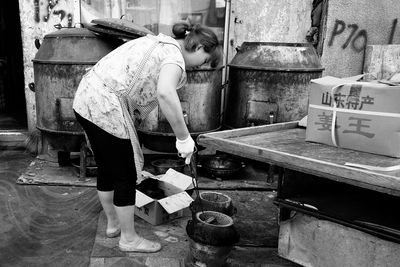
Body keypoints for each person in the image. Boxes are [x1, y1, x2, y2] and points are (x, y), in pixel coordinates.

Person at [72, 21, 222, 253]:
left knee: (107, 167)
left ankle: (114, 224)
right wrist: (183, 138)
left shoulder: (159, 42)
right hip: (106, 105)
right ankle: (129, 239)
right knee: (125, 174)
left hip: (86, 98)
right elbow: (165, 92)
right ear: (200, 46)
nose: (198, 67)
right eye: (204, 61)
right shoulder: (174, 56)